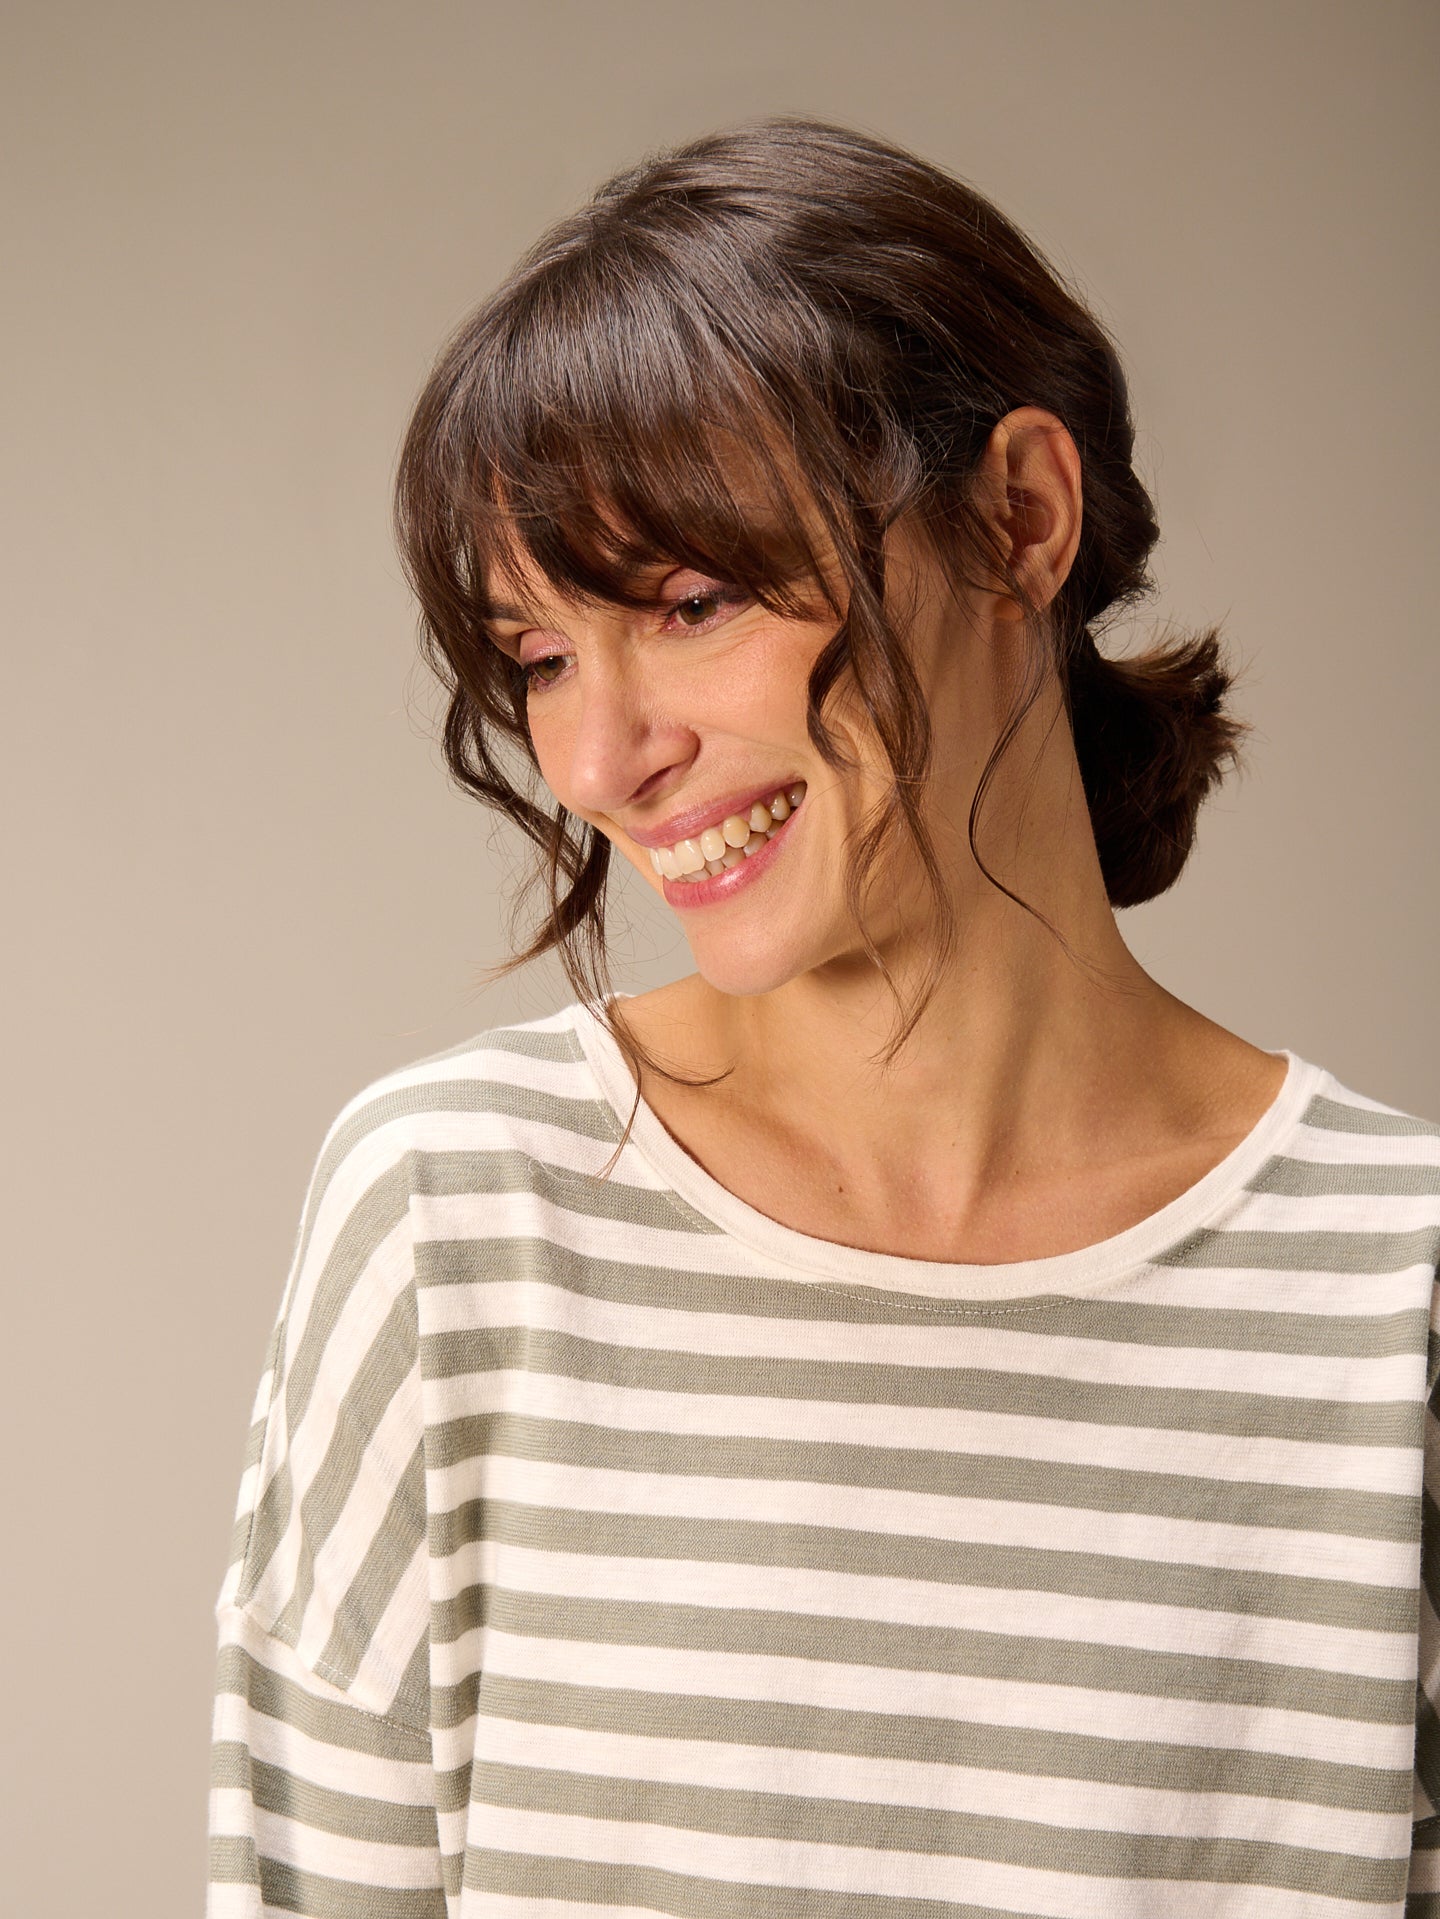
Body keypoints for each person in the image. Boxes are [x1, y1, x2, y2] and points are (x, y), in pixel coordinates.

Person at [206, 118, 1440, 1918]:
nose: (603, 759)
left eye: (692, 602)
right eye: (541, 658)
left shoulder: (1394, 1294)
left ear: (1019, 520)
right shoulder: (457, 1217)